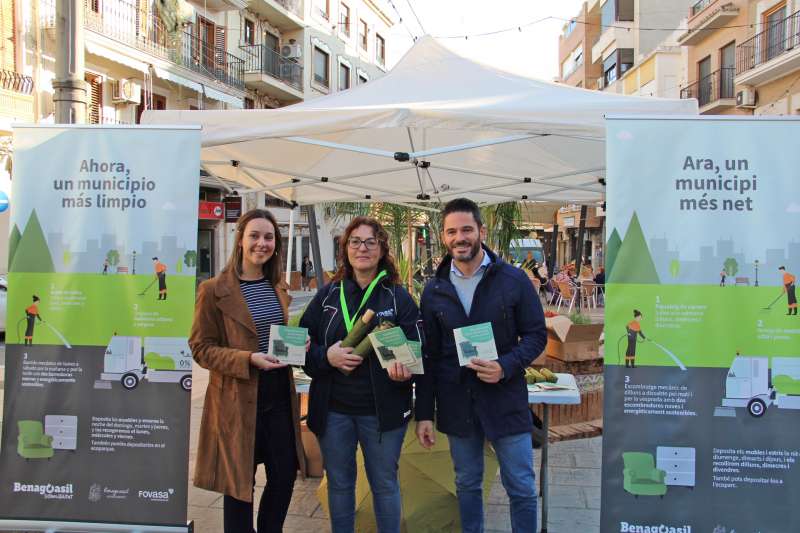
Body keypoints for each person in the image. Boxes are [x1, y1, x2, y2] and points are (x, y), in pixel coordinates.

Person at [416, 198, 547, 533]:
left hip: (505, 399)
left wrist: (506, 365)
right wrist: (424, 414)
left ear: (481, 231)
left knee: (520, 485)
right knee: (467, 483)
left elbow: (536, 336)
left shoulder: (513, 280)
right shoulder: (434, 290)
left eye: (466, 230)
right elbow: (429, 355)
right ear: (444, 236)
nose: (459, 237)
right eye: (451, 232)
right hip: (458, 402)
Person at [189, 209, 306, 533]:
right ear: (240, 240)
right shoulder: (213, 290)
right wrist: (247, 359)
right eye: (254, 235)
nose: (262, 243)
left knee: (284, 476)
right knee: (239, 487)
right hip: (237, 403)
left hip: (279, 399)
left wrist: (297, 347)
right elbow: (201, 349)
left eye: (269, 237)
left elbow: (277, 339)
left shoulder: (277, 287)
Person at [300, 216, 420, 533]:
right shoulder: (327, 295)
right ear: (346, 249)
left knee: (384, 483)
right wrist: (326, 355)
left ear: (382, 250)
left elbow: (419, 350)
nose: (362, 248)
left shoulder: (398, 297)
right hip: (333, 410)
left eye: (370, 242)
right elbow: (299, 346)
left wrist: (404, 371)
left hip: (382, 413)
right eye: (355, 241)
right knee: (339, 483)